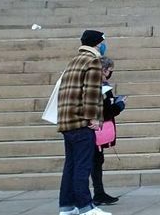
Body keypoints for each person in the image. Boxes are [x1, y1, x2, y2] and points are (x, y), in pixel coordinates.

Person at [58, 30, 106, 215]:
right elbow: (92, 92)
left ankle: (67, 206)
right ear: (97, 43)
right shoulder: (93, 61)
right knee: (82, 166)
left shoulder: (74, 60)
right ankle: (86, 207)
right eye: (102, 42)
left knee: (70, 165)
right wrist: (93, 117)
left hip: (67, 120)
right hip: (81, 121)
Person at [91, 57, 124, 206]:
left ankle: (99, 193)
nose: (111, 73)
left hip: (93, 128)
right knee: (93, 162)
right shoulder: (100, 87)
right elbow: (106, 111)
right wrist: (120, 105)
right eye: (110, 70)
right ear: (103, 70)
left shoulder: (99, 85)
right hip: (94, 129)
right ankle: (96, 194)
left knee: (96, 161)